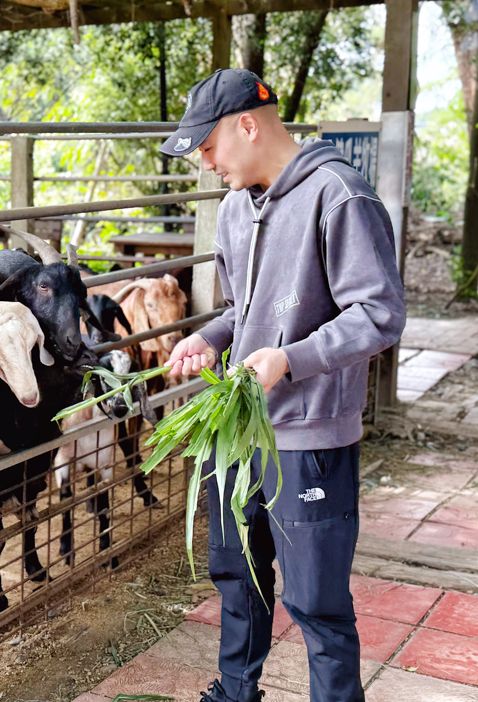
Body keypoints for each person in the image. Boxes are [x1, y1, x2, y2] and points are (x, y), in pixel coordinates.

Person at [160, 69, 406, 702]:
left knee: (316, 603)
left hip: (310, 435)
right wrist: (209, 339)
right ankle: (235, 692)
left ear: (248, 125)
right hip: (236, 427)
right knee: (236, 577)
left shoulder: (341, 196)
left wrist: (289, 360)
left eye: (207, 146)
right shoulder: (235, 210)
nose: (204, 162)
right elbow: (245, 310)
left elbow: (379, 313)